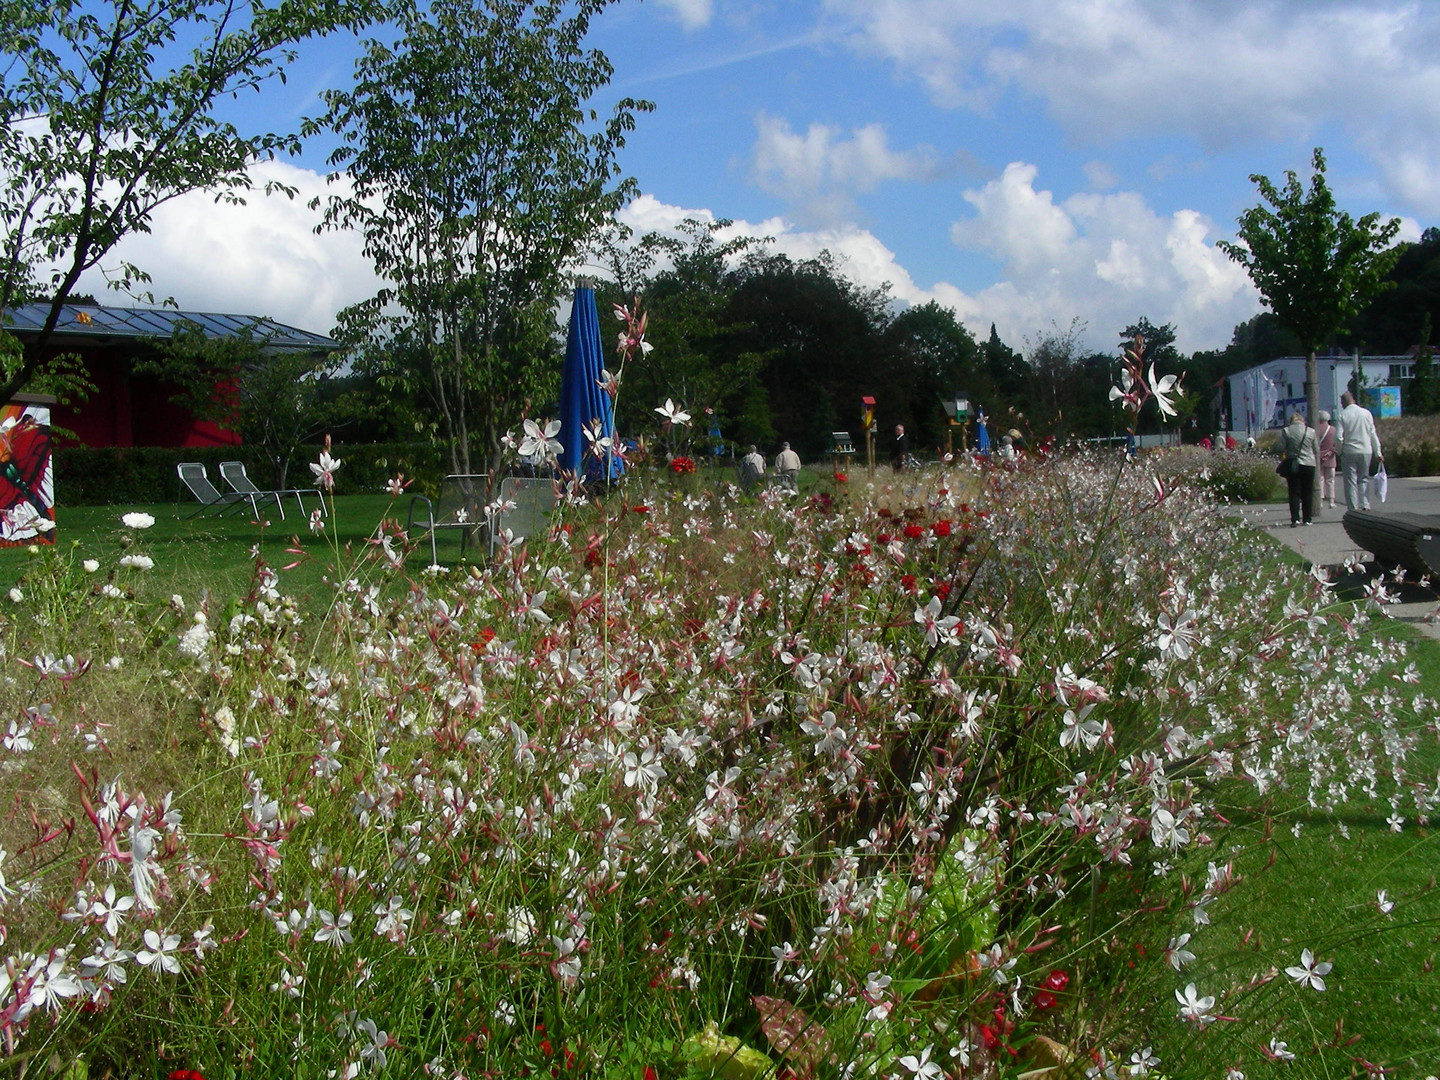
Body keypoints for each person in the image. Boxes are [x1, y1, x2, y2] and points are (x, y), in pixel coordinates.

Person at [1336, 390, 1384, 511]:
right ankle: (1365, 505)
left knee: (1350, 481)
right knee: (1363, 478)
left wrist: (1339, 451)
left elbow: (1338, 437)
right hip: (1366, 450)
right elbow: (1373, 434)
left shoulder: (1342, 415)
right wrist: (1378, 452)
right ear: (1354, 400)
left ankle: (1353, 508)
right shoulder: (1366, 413)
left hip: (1349, 451)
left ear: (1343, 403)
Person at [1278, 410, 1317, 527]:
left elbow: (1280, 447)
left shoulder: (1287, 431)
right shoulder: (1311, 431)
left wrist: (1285, 454)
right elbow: (1315, 449)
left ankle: (1295, 518)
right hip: (1309, 463)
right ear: (1302, 421)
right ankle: (1307, 519)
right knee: (1308, 492)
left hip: (1294, 463)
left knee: (1294, 492)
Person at [1314, 409, 1338, 509]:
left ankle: (1320, 501)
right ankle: (1331, 501)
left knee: (1320, 479)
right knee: (1330, 480)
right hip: (1330, 457)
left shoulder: (1315, 430)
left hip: (1318, 457)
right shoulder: (1333, 430)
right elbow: (1336, 443)